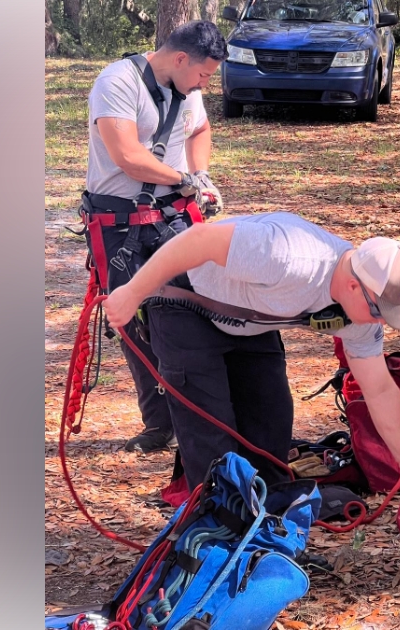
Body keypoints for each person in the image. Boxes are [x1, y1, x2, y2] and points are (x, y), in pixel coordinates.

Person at [104, 212, 400, 497]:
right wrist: (133, 292)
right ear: (354, 285)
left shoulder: (359, 313)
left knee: (270, 431)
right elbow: (198, 239)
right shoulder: (289, 257)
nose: (380, 321)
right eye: (379, 311)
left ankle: (271, 541)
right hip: (186, 299)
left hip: (250, 318)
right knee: (213, 441)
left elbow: (380, 390)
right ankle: (221, 541)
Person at [83, 21, 228, 453]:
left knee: (192, 312)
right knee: (130, 319)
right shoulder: (117, 82)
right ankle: (158, 423)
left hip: (172, 216)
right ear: (181, 59)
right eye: (204, 74)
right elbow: (128, 157)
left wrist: (198, 175)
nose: (205, 84)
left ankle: (199, 415)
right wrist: (186, 180)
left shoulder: (188, 90)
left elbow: (199, 130)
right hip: (119, 222)